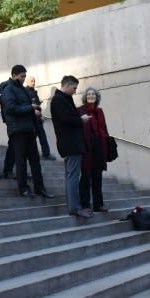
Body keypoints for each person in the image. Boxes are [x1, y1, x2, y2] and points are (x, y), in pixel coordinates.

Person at [2, 65, 53, 198]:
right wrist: (30, 108)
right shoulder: (8, 89)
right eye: (21, 76)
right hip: (18, 131)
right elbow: (11, 108)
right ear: (14, 76)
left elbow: (25, 107)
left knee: (35, 161)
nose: (23, 79)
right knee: (21, 162)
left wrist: (34, 110)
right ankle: (23, 188)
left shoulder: (23, 90)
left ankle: (39, 188)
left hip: (29, 130)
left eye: (24, 76)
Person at [51, 75, 93, 218]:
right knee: (73, 176)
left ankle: (73, 206)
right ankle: (75, 207)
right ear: (67, 85)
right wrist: (81, 119)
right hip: (70, 144)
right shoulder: (58, 100)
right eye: (74, 88)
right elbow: (67, 120)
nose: (75, 91)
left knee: (72, 176)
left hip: (71, 143)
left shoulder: (63, 99)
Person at [78, 87, 110, 212]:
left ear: (96, 97)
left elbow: (104, 128)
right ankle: (85, 204)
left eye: (93, 94)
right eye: (89, 94)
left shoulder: (100, 111)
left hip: (99, 148)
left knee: (97, 177)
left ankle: (98, 204)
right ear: (85, 97)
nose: (91, 95)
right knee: (86, 177)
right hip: (86, 148)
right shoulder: (80, 110)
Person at [26, 76, 56, 160]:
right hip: (32, 119)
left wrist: (41, 114)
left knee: (42, 136)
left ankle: (46, 153)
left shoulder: (33, 91)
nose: (33, 83)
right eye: (31, 81)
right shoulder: (26, 91)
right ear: (27, 82)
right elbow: (27, 106)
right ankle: (30, 154)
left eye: (34, 81)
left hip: (38, 118)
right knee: (32, 138)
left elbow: (37, 104)